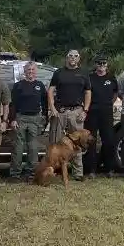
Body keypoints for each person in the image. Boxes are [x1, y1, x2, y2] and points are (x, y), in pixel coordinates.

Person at [48, 49, 92, 181]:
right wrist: (52, 108)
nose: (73, 58)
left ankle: (78, 173)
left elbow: (88, 92)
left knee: (79, 143)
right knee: (56, 143)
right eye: (70, 56)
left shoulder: (84, 73)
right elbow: (50, 91)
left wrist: (85, 110)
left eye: (75, 56)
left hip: (76, 112)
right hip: (60, 112)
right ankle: (55, 171)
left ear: (79, 59)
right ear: (66, 58)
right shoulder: (58, 73)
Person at [8, 61, 48, 182]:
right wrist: (13, 119)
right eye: (28, 70)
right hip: (21, 117)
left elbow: (45, 103)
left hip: (35, 119)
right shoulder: (18, 85)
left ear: (36, 72)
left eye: (33, 70)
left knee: (33, 147)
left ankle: (31, 173)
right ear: (25, 72)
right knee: (18, 147)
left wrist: (44, 118)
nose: (30, 72)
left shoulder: (40, 85)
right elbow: (13, 104)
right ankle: (15, 173)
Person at [84, 55, 119, 178]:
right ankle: (91, 170)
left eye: (104, 63)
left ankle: (109, 169)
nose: (102, 65)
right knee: (91, 141)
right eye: (99, 63)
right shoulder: (89, 78)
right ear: (95, 65)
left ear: (107, 65)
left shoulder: (111, 78)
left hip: (107, 112)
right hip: (92, 112)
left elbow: (116, 92)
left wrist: (110, 102)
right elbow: (85, 93)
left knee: (108, 140)